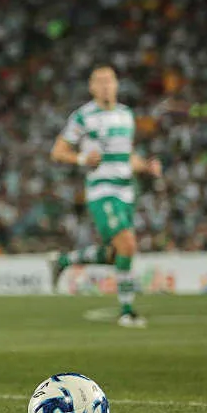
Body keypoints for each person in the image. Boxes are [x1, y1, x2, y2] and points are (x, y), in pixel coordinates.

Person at [49, 64, 162, 327]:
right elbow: (57, 151)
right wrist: (81, 158)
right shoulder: (83, 117)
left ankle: (64, 260)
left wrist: (146, 165)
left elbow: (127, 156)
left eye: (109, 81)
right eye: (99, 81)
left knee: (117, 253)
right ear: (91, 87)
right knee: (128, 245)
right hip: (102, 190)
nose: (105, 86)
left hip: (126, 190)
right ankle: (127, 311)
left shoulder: (126, 115)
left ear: (117, 85)